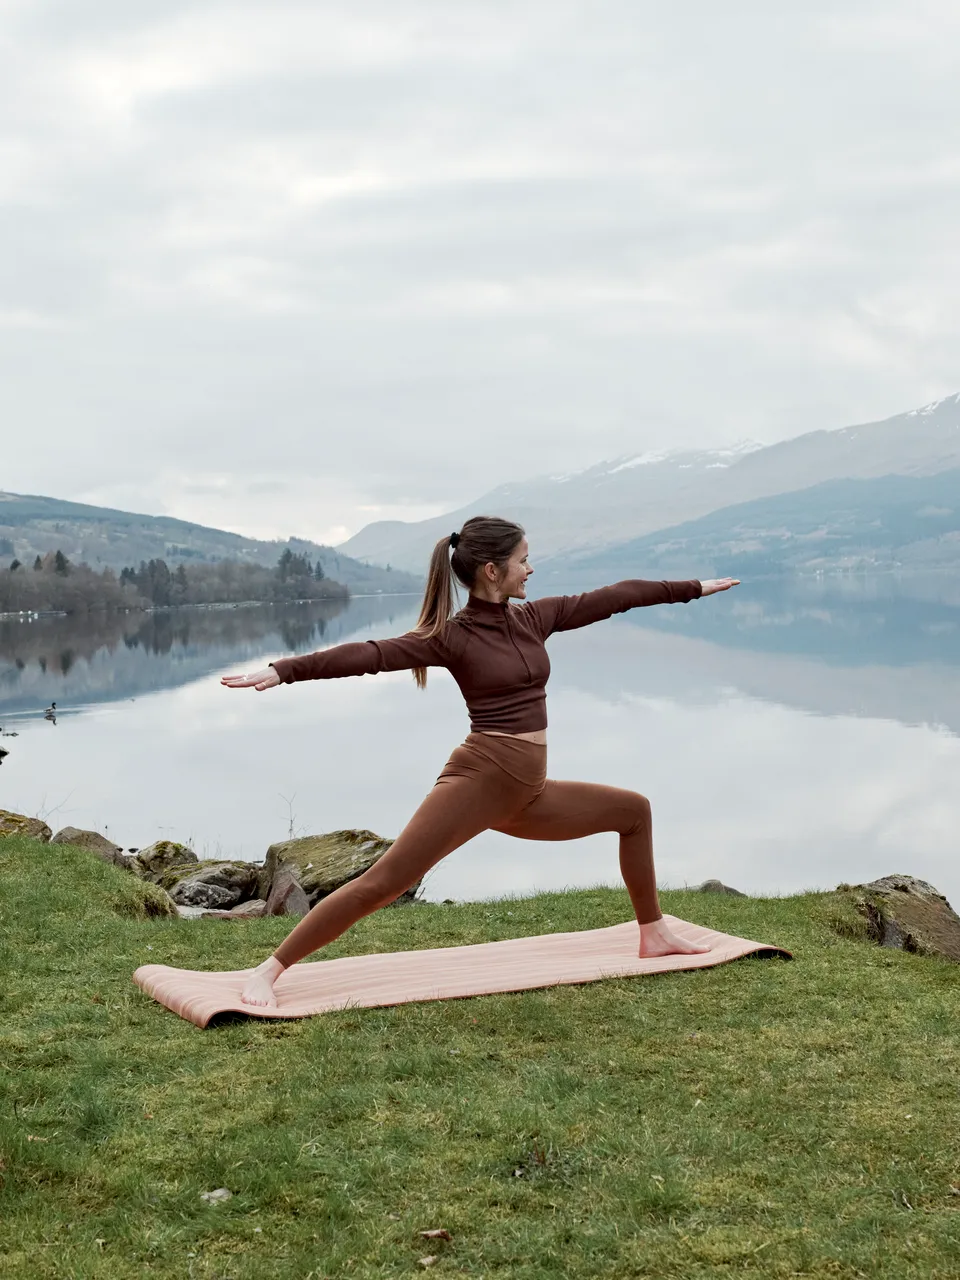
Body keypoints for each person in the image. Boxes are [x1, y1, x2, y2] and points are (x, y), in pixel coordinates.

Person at [222, 515, 740, 1007]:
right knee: (383, 883)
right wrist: (285, 669)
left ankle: (653, 933)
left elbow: (614, 597)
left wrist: (690, 588)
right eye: (524, 560)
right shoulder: (454, 636)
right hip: (480, 780)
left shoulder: (535, 617)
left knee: (634, 812)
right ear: (493, 571)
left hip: (526, 792)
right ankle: (267, 970)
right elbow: (371, 654)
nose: (531, 569)